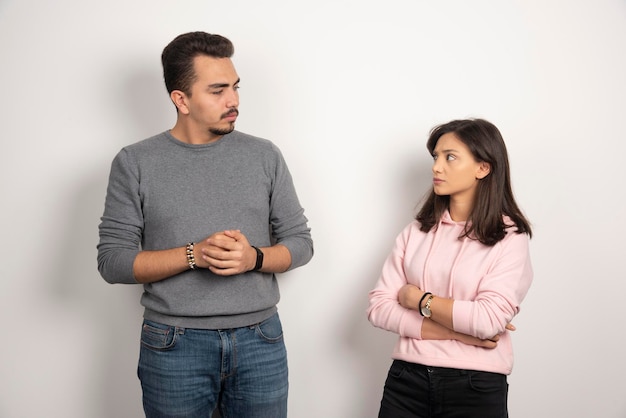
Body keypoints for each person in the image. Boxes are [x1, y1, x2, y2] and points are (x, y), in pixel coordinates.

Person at [97, 31, 313, 418]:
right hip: (173, 345)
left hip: (260, 339)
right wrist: (193, 254)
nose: (233, 101)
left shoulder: (264, 155)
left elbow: (301, 242)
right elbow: (113, 261)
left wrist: (254, 258)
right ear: (181, 99)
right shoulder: (135, 162)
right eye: (217, 91)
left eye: (234, 87)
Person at [367, 118, 533, 417]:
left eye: (450, 157)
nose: (436, 167)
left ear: (483, 168)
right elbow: (378, 307)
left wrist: (417, 300)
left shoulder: (510, 237)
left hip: (475, 386)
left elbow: (487, 321)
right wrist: (461, 334)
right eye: (436, 157)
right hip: (406, 380)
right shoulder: (416, 231)